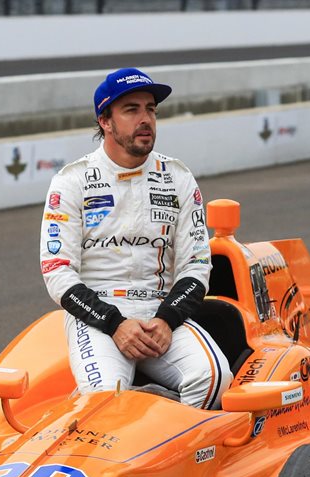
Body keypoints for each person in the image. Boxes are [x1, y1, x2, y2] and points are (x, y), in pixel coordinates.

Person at [39, 67, 229, 410]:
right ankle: (138, 412)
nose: (146, 119)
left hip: (160, 310)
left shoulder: (178, 178)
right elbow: (57, 272)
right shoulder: (72, 181)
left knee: (215, 378)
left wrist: (167, 320)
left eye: (151, 109)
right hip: (97, 315)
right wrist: (114, 324)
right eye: (132, 110)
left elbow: (197, 265)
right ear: (105, 121)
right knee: (104, 401)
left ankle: (166, 438)